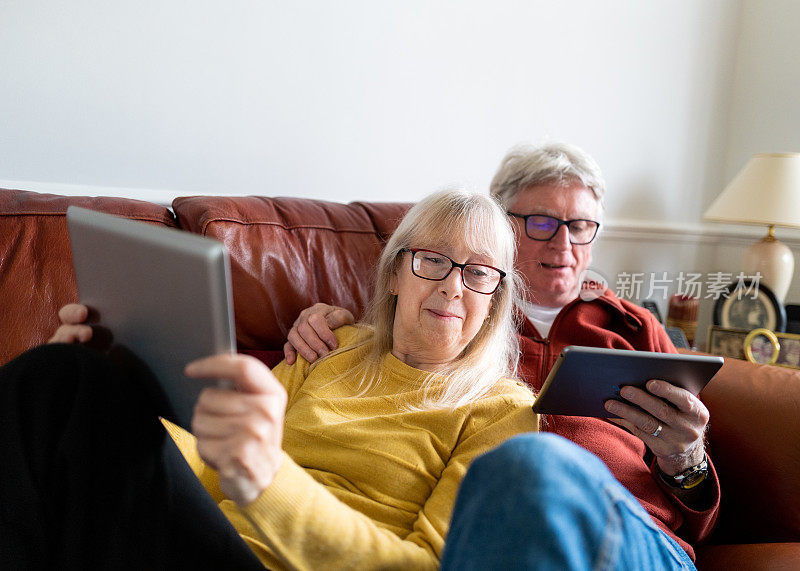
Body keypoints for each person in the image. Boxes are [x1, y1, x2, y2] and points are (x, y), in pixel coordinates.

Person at [0, 189, 537, 569]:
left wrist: (268, 482)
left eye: (479, 272)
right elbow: (213, 463)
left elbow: (427, 568)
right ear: (396, 272)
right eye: (433, 261)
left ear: (494, 298)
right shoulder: (330, 347)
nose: (453, 288)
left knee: (65, 389)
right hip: (202, 540)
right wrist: (113, 396)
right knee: (68, 376)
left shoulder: (500, 412)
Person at [283, 142, 720, 568]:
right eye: (542, 223)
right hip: (507, 535)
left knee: (533, 460)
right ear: (500, 226)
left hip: (636, 538)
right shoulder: (458, 310)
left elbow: (703, 519)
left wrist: (687, 459)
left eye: (581, 226)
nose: (564, 245)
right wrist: (322, 323)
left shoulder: (633, 325)